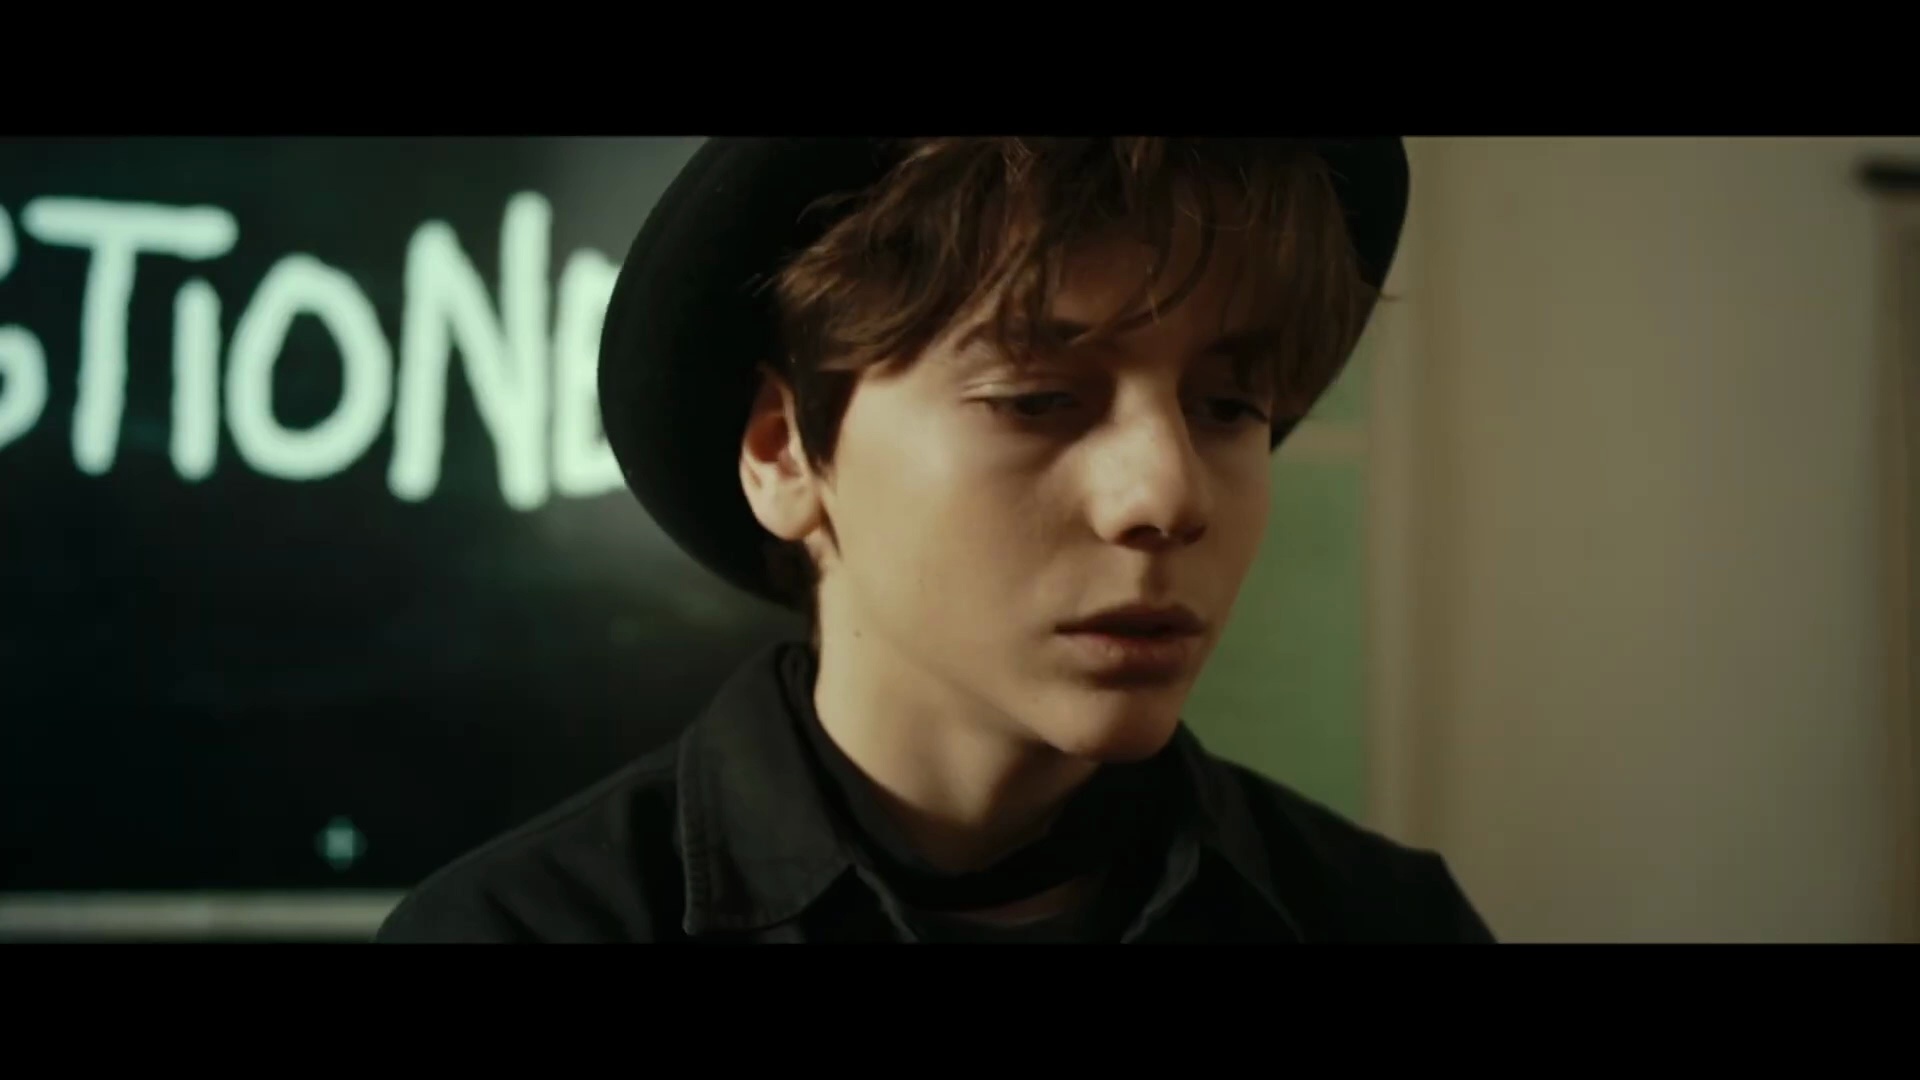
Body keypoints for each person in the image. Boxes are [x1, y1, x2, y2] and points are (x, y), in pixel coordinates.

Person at [375, 137, 1496, 943]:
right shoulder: (523, 927)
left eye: (1229, 406)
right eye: (1035, 398)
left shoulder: (1379, 921)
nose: (1168, 493)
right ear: (782, 451)